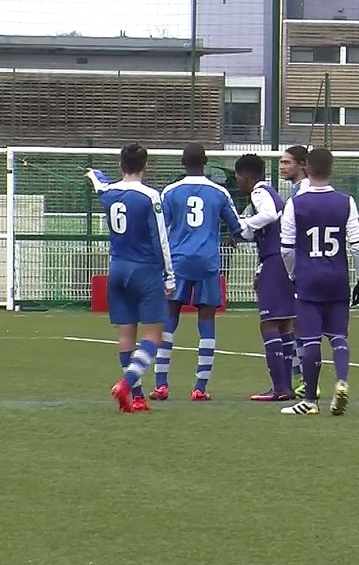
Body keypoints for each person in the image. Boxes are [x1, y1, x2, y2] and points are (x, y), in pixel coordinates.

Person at [279, 148, 359, 417]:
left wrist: (293, 275)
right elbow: (357, 245)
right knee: (338, 336)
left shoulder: (296, 203)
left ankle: (309, 400)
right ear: (331, 169)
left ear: (307, 169)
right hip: (337, 278)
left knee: (310, 340)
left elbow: (286, 248)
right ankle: (341, 381)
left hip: (309, 279)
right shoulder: (346, 201)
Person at [151, 143, 243, 402]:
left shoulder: (170, 192)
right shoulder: (219, 192)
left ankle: (161, 385)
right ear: (206, 162)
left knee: (169, 318)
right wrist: (234, 237)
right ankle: (200, 387)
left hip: (178, 261)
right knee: (207, 321)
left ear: (183, 163)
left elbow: (160, 227)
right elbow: (236, 226)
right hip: (207, 262)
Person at [85, 144, 174, 413]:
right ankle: (126, 384)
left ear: (120, 166)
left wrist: (94, 174)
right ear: (145, 166)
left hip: (117, 269)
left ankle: (137, 398)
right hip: (144, 269)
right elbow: (160, 237)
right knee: (154, 334)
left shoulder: (108, 194)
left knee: (126, 334)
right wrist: (169, 276)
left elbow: (100, 185)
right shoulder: (150, 196)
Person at [233, 154, 297, 402]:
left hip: (275, 259)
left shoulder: (259, 192)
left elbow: (268, 215)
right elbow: (263, 228)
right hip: (280, 259)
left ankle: (279, 387)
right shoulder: (270, 193)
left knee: (269, 323)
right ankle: (286, 386)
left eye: (237, 178)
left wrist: (242, 224)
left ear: (244, 176)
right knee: (284, 323)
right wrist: (244, 233)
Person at [275, 144, 311, 399]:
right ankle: (301, 378)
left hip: (304, 266)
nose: (282, 166)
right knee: (295, 323)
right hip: (302, 265)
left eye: (287, 162)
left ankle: (306, 379)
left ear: (302, 165)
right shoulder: (296, 191)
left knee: (303, 325)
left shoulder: (303, 192)